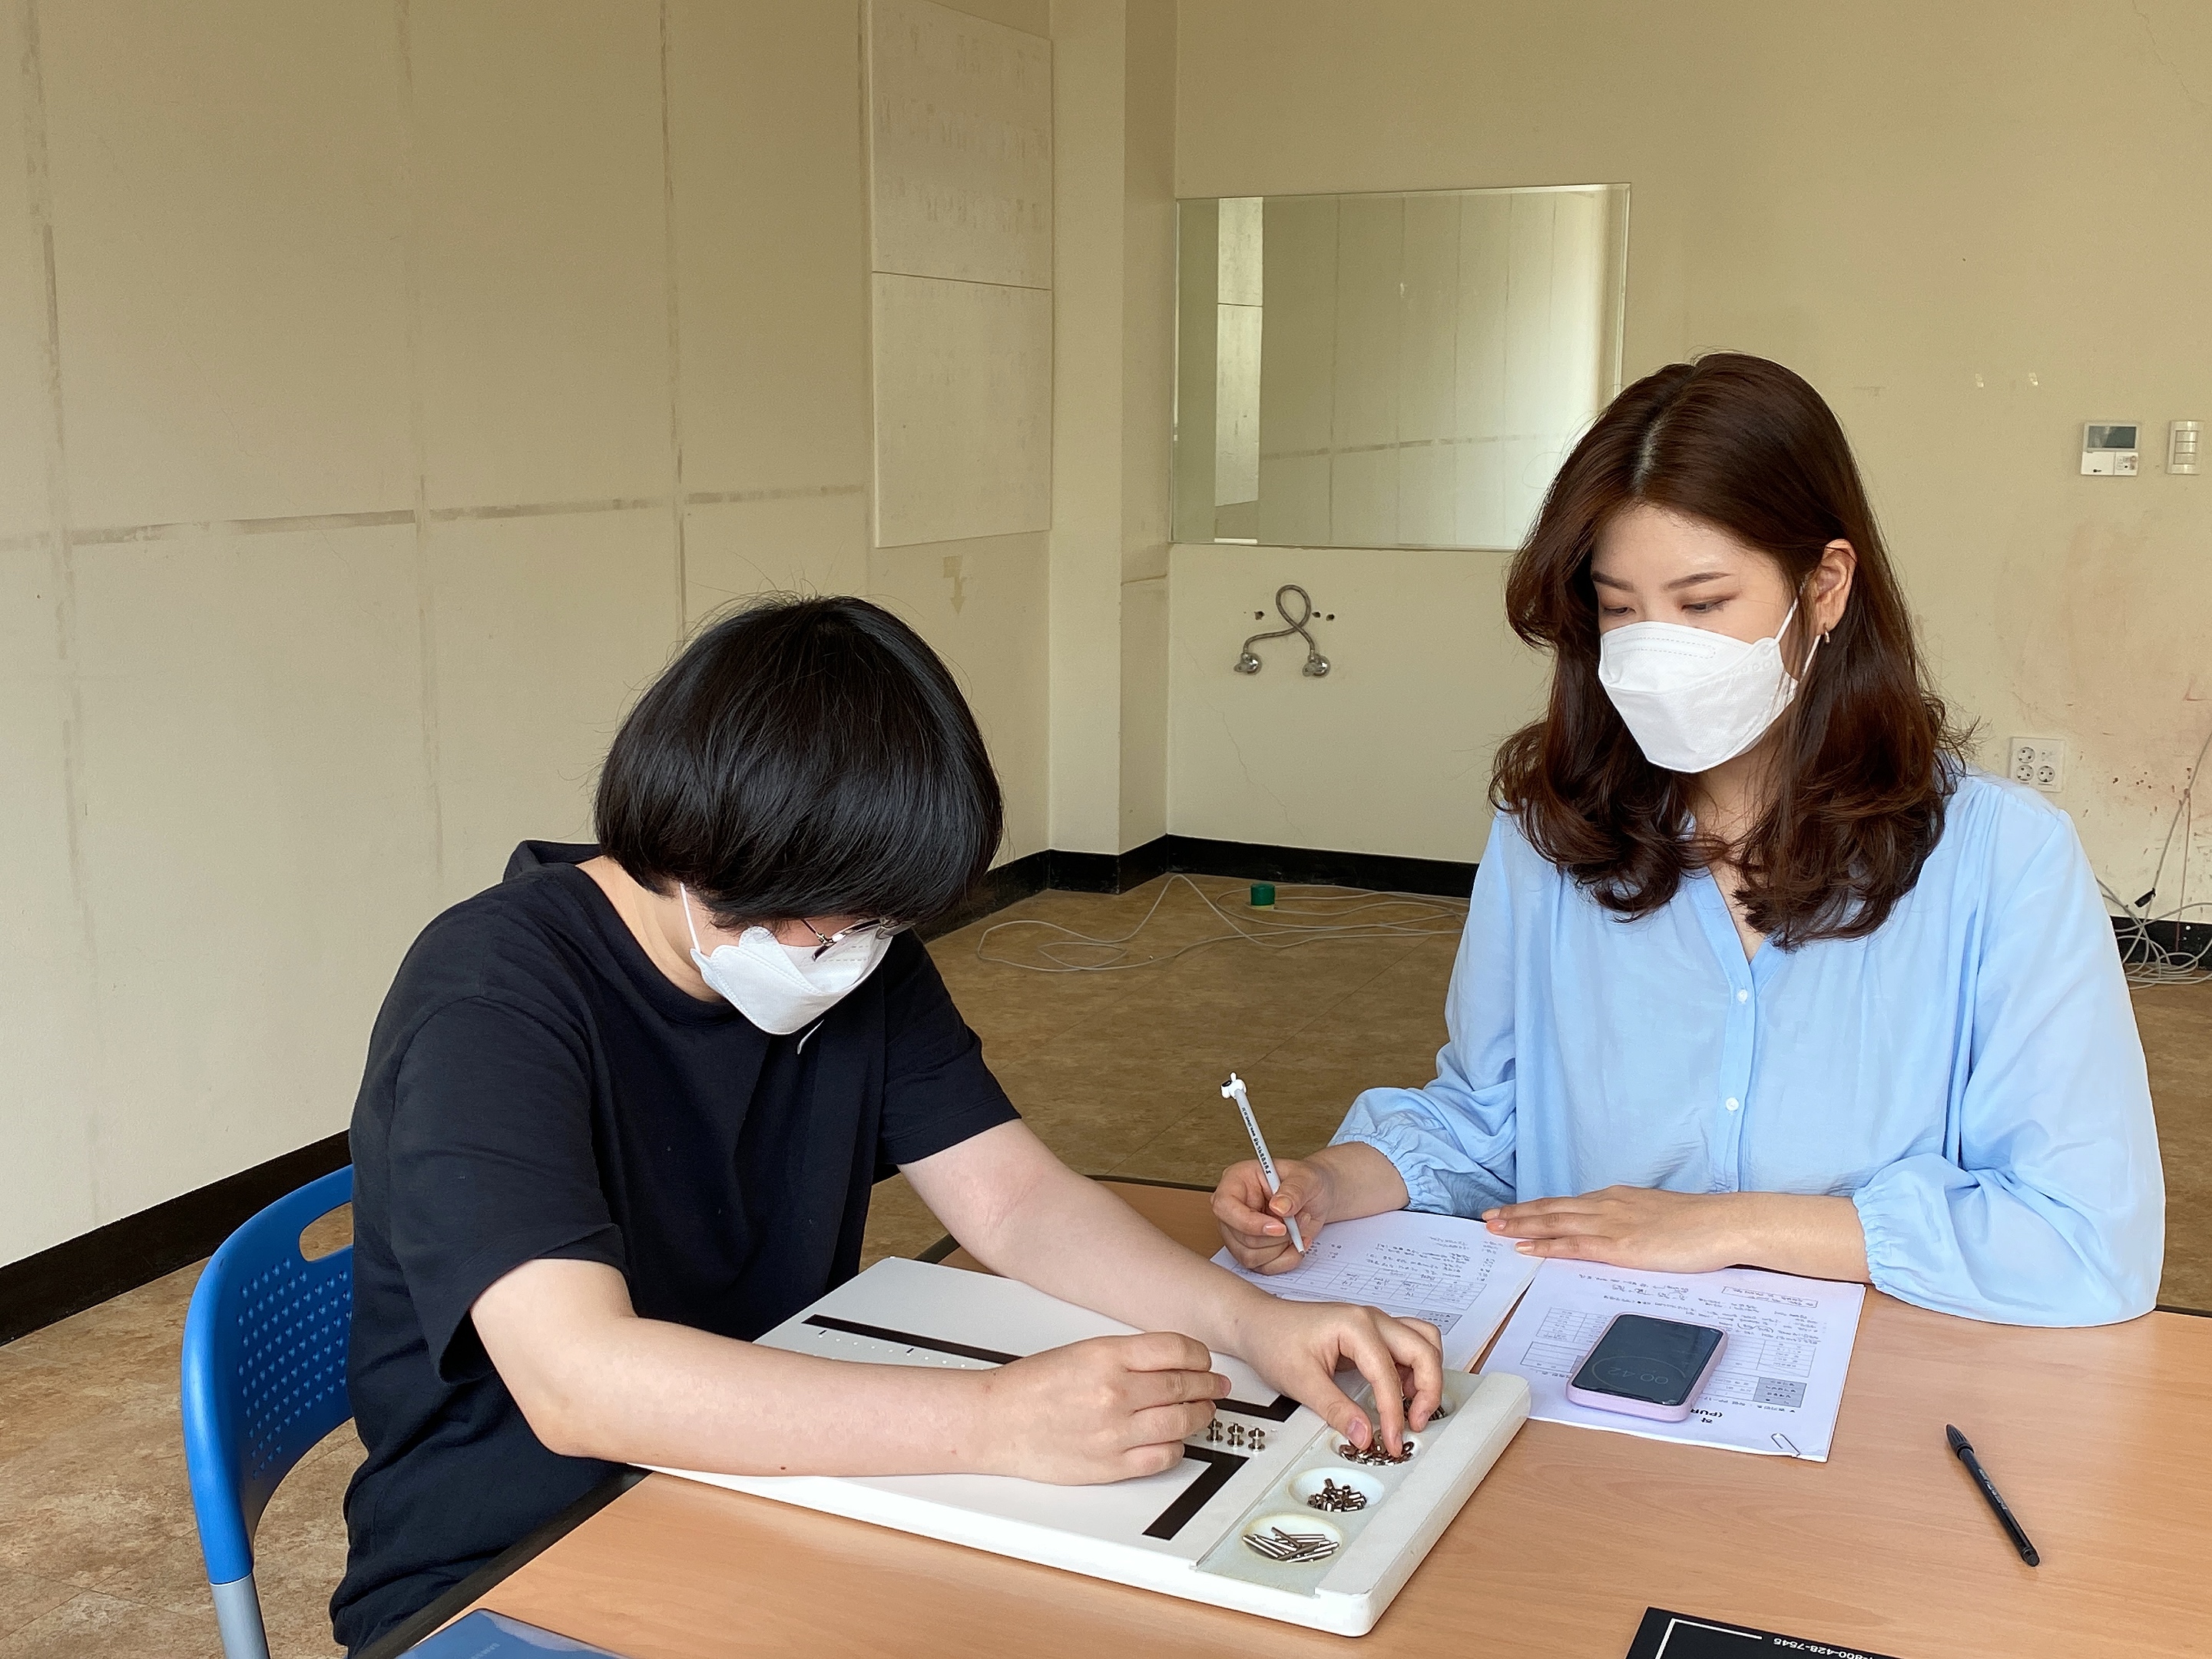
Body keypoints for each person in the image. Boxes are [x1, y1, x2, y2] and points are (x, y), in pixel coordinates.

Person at [335, 596, 1442, 1654]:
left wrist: (1253, 1326)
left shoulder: (844, 959)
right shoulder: (491, 1000)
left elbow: (1014, 1202)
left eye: (888, 922)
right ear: (723, 847)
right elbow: (580, 1382)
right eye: (852, 918)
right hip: (521, 1559)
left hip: (775, 1478)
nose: (870, 949)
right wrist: (992, 1421)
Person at [1214, 353, 2164, 1328]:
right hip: (1579, 1370)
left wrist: (1725, 1227)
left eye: (1703, 604)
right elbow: (1489, 1119)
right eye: (1620, 608)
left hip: (1890, 1389)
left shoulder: (2004, 861)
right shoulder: (1549, 838)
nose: (1654, 653)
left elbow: (2085, 1237)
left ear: (1826, 588)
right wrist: (1328, 1182)